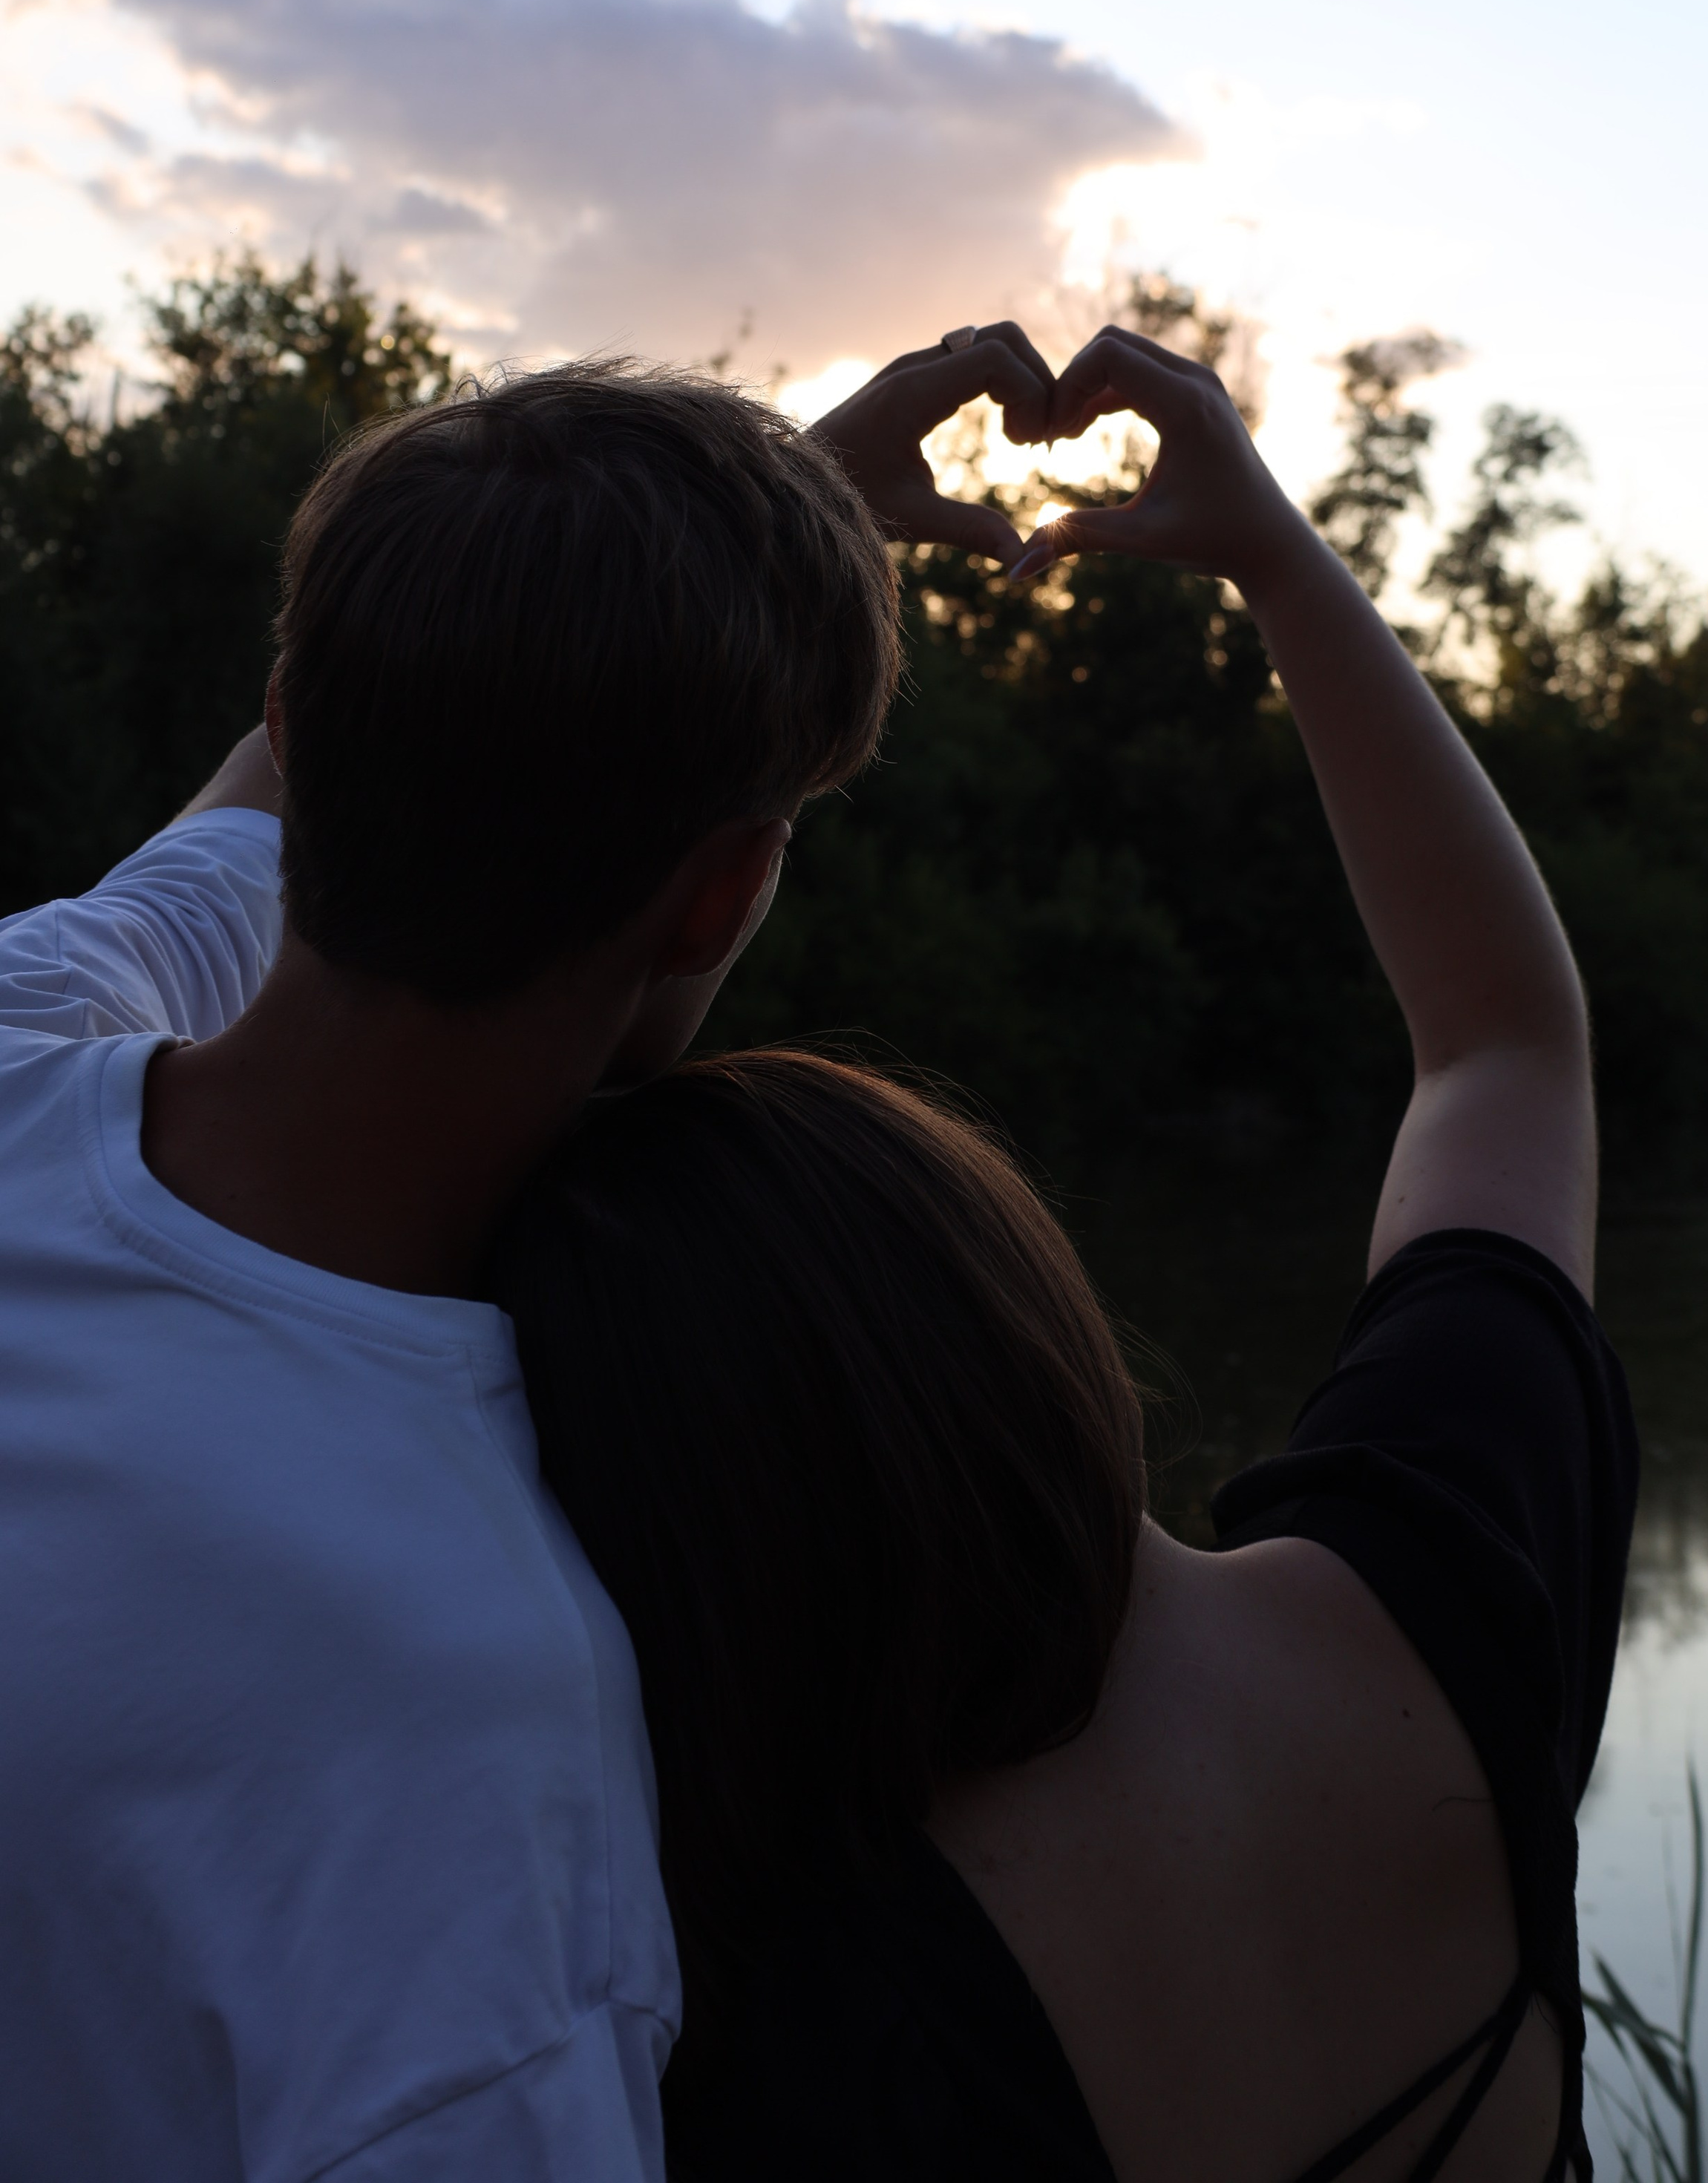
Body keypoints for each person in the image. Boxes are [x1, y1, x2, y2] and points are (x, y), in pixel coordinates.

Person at [497, 324, 1639, 2182]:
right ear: (1015, 1291)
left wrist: (742, 566)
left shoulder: (766, 1999)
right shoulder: (1438, 1609)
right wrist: (1271, 553)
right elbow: (1503, 1043)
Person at [0, 330, 1050, 2182]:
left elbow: (282, 787)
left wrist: (727, 540)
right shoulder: (473, 1741)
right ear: (723, 889)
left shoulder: (31, 1021)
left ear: (300, 719)